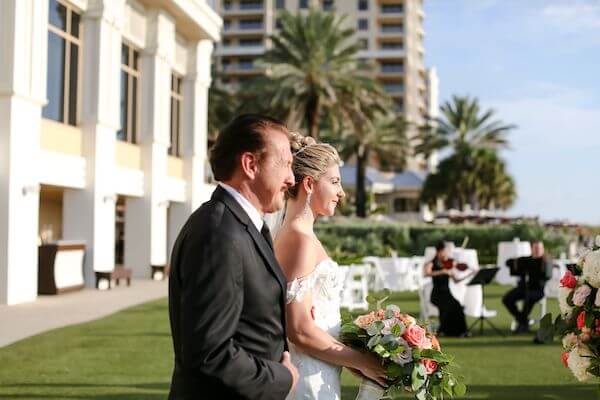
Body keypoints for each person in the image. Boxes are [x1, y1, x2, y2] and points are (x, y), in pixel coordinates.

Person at [167, 114, 299, 399]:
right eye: (286, 164)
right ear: (250, 165)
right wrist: (281, 378)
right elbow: (210, 353)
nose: (291, 178)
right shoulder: (218, 233)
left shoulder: (241, 225)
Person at [274, 133, 387, 400]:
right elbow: (299, 328)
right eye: (335, 182)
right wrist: (362, 361)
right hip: (308, 379)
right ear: (310, 184)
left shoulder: (299, 235)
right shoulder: (299, 240)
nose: (341, 192)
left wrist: (351, 358)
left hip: (321, 368)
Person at [503, 240, 550, 334]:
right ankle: (523, 320)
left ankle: (523, 324)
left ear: (543, 249)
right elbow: (508, 262)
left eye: (539, 248)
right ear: (531, 249)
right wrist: (515, 262)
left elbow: (547, 276)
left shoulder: (546, 262)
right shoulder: (526, 260)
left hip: (538, 290)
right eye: (535, 248)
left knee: (529, 298)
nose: (537, 250)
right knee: (506, 299)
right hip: (523, 289)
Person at [424, 242, 469, 337]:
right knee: (450, 307)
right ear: (439, 251)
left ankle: (459, 332)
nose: (447, 254)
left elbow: (456, 280)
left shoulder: (448, 264)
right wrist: (442, 271)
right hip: (437, 294)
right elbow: (426, 273)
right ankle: (446, 331)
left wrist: (469, 274)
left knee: (457, 306)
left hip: (447, 293)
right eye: (445, 251)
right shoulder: (432, 263)